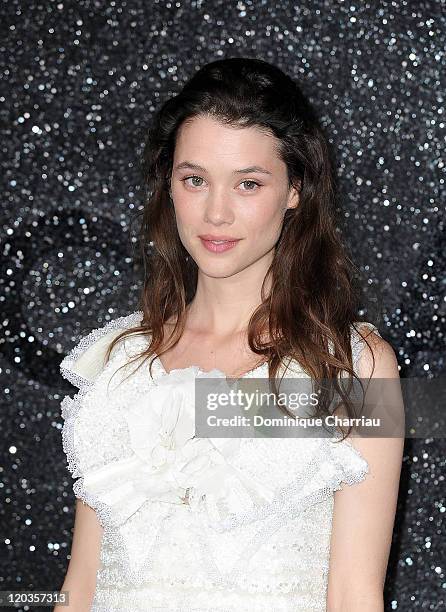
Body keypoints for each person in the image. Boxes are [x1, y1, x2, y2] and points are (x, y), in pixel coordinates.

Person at [55, 57, 404, 612]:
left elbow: (355, 593)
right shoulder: (120, 363)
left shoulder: (353, 366)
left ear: (295, 190)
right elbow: (79, 589)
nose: (216, 213)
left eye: (248, 183)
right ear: (168, 186)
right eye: (195, 180)